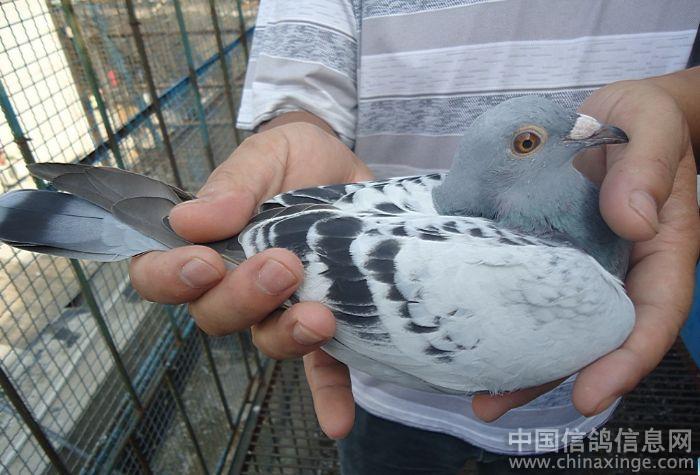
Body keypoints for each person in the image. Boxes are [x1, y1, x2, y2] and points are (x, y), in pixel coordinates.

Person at [129, 1, 700, 472]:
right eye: (530, 141)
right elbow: (297, 93)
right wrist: (291, 135)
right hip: (386, 402)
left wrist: (676, 108)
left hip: (556, 418)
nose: (592, 130)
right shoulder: (591, 301)